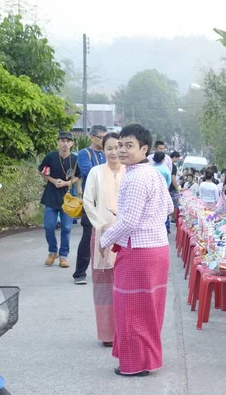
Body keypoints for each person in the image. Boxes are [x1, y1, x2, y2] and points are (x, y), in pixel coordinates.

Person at [99, 124, 173, 377]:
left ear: (144, 149)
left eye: (129, 146)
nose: (122, 150)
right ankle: (144, 359)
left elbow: (129, 221)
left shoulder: (135, 177)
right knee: (149, 309)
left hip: (139, 252)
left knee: (130, 309)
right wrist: (148, 218)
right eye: (120, 145)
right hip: (157, 249)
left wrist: (104, 240)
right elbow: (169, 207)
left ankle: (136, 364)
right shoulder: (153, 173)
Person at [82, 133, 125, 347]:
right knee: (103, 285)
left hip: (127, 236)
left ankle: (125, 330)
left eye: (118, 147)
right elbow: (88, 202)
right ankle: (108, 333)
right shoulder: (95, 172)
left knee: (125, 283)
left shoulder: (130, 172)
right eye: (109, 148)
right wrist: (103, 226)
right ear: (103, 150)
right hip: (102, 234)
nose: (114, 152)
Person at [38, 132, 81, 268]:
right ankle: (52, 252)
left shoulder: (74, 159)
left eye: (68, 141)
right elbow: (42, 171)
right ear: (58, 142)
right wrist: (53, 180)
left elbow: (78, 176)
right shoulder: (50, 157)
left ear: (72, 144)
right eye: (62, 141)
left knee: (67, 227)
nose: (65, 144)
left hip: (67, 197)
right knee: (49, 226)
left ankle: (63, 256)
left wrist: (67, 183)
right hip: (51, 195)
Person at [73, 125, 108, 285]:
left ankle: (104, 270)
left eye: (104, 137)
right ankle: (80, 273)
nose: (103, 140)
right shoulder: (84, 154)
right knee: (88, 236)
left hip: (108, 201)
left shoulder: (108, 154)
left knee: (108, 235)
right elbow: (90, 172)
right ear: (92, 137)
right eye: (100, 137)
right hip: (91, 202)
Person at [169, 151, 181, 222]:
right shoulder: (173, 166)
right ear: (174, 157)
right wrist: (178, 189)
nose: (178, 159)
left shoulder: (166, 164)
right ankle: (173, 218)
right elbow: (173, 179)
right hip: (172, 189)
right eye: (178, 158)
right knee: (175, 204)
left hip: (167, 187)